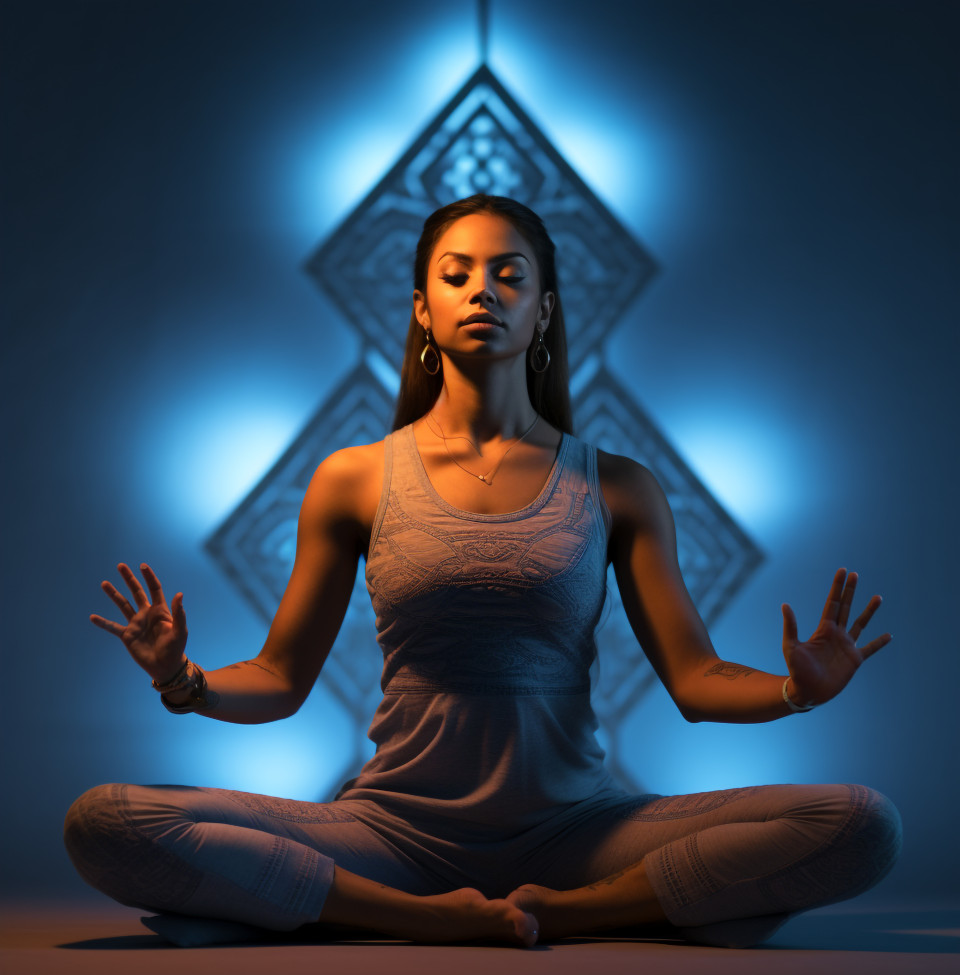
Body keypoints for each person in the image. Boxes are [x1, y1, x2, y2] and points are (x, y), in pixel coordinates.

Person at [64, 194, 901, 950]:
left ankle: (573, 909)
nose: (483, 290)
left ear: (543, 311)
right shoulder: (355, 477)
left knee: (862, 823)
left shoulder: (617, 486)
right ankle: (427, 917)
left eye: (509, 274)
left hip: (582, 833)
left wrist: (798, 691)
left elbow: (697, 678)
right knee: (105, 821)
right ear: (423, 309)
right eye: (456, 274)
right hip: (389, 833)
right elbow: (280, 678)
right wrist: (183, 680)